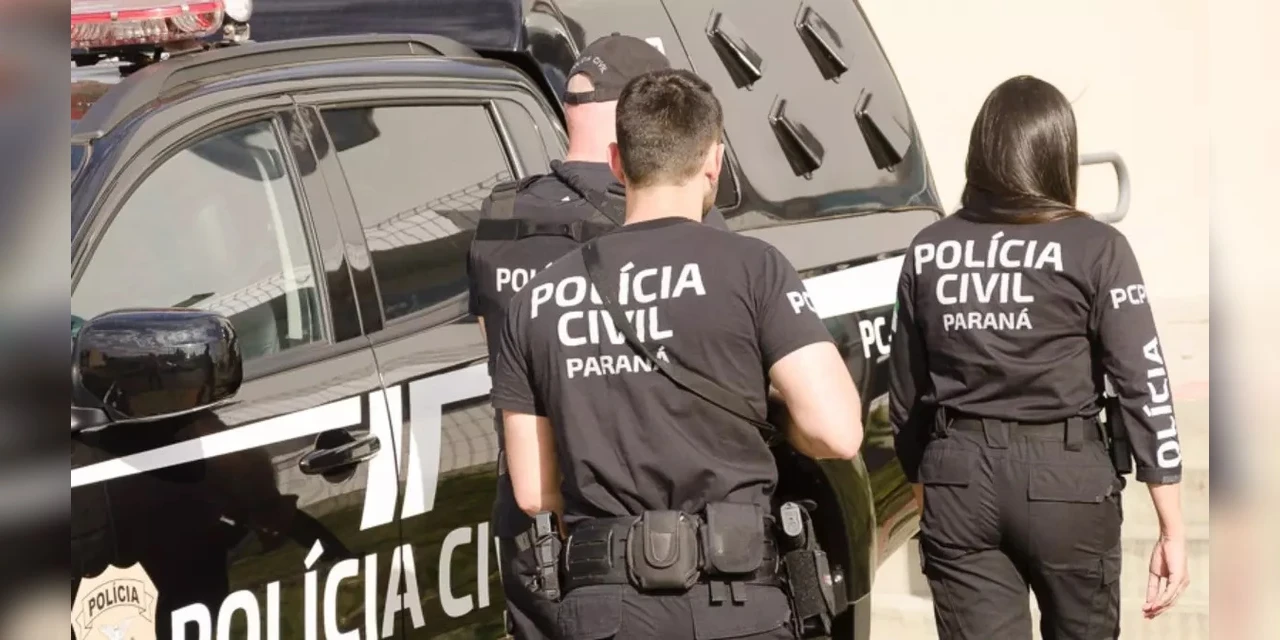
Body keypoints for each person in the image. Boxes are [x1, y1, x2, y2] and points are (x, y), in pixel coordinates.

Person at [490, 68, 863, 640]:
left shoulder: (536, 298)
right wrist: (771, 419)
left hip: (605, 613)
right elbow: (836, 433)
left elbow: (533, 490)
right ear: (714, 160)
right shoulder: (753, 268)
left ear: (617, 162)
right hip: (737, 602)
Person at [887, 75, 1189, 639]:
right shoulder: (1097, 247)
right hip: (1066, 479)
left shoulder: (929, 249)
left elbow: (905, 395)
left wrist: (931, 494)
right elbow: (1143, 382)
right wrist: (1171, 524)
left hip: (958, 478)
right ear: (1057, 154)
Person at [466, 34, 730, 639]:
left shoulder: (498, 215)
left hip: (528, 509)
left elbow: (496, 347)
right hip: (636, 529)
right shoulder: (669, 218)